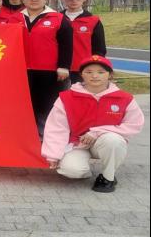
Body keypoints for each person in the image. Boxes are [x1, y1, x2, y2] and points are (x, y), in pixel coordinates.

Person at [42, 56, 144, 193]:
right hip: (77, 144)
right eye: (89, 72)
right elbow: (56, 127)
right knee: (72, 170)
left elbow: (134, 124)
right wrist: (53, 154)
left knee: (113, 141)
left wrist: (97, 132)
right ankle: (83, 167)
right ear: (81, 74)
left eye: (101, 72)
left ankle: (107, 177)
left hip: (105, 142)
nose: (95, 76)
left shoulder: (125, 98)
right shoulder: (67, 97)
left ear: (110, 75)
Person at [9, 0, 73, 138]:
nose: (34, 0)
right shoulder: (14, 19)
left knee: (47, 104)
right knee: (25, 104)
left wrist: (64, 66)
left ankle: (47, 137)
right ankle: (27, 137)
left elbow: (67, 45)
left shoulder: (58, 19)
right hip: (21, 69)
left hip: (49, 71)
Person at [61, 0, 107, 83]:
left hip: (83, 68)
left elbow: (99, 48)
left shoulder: (93, 20)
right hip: (60, 68)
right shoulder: (57, 18)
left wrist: (96, 67)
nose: (74, 1)